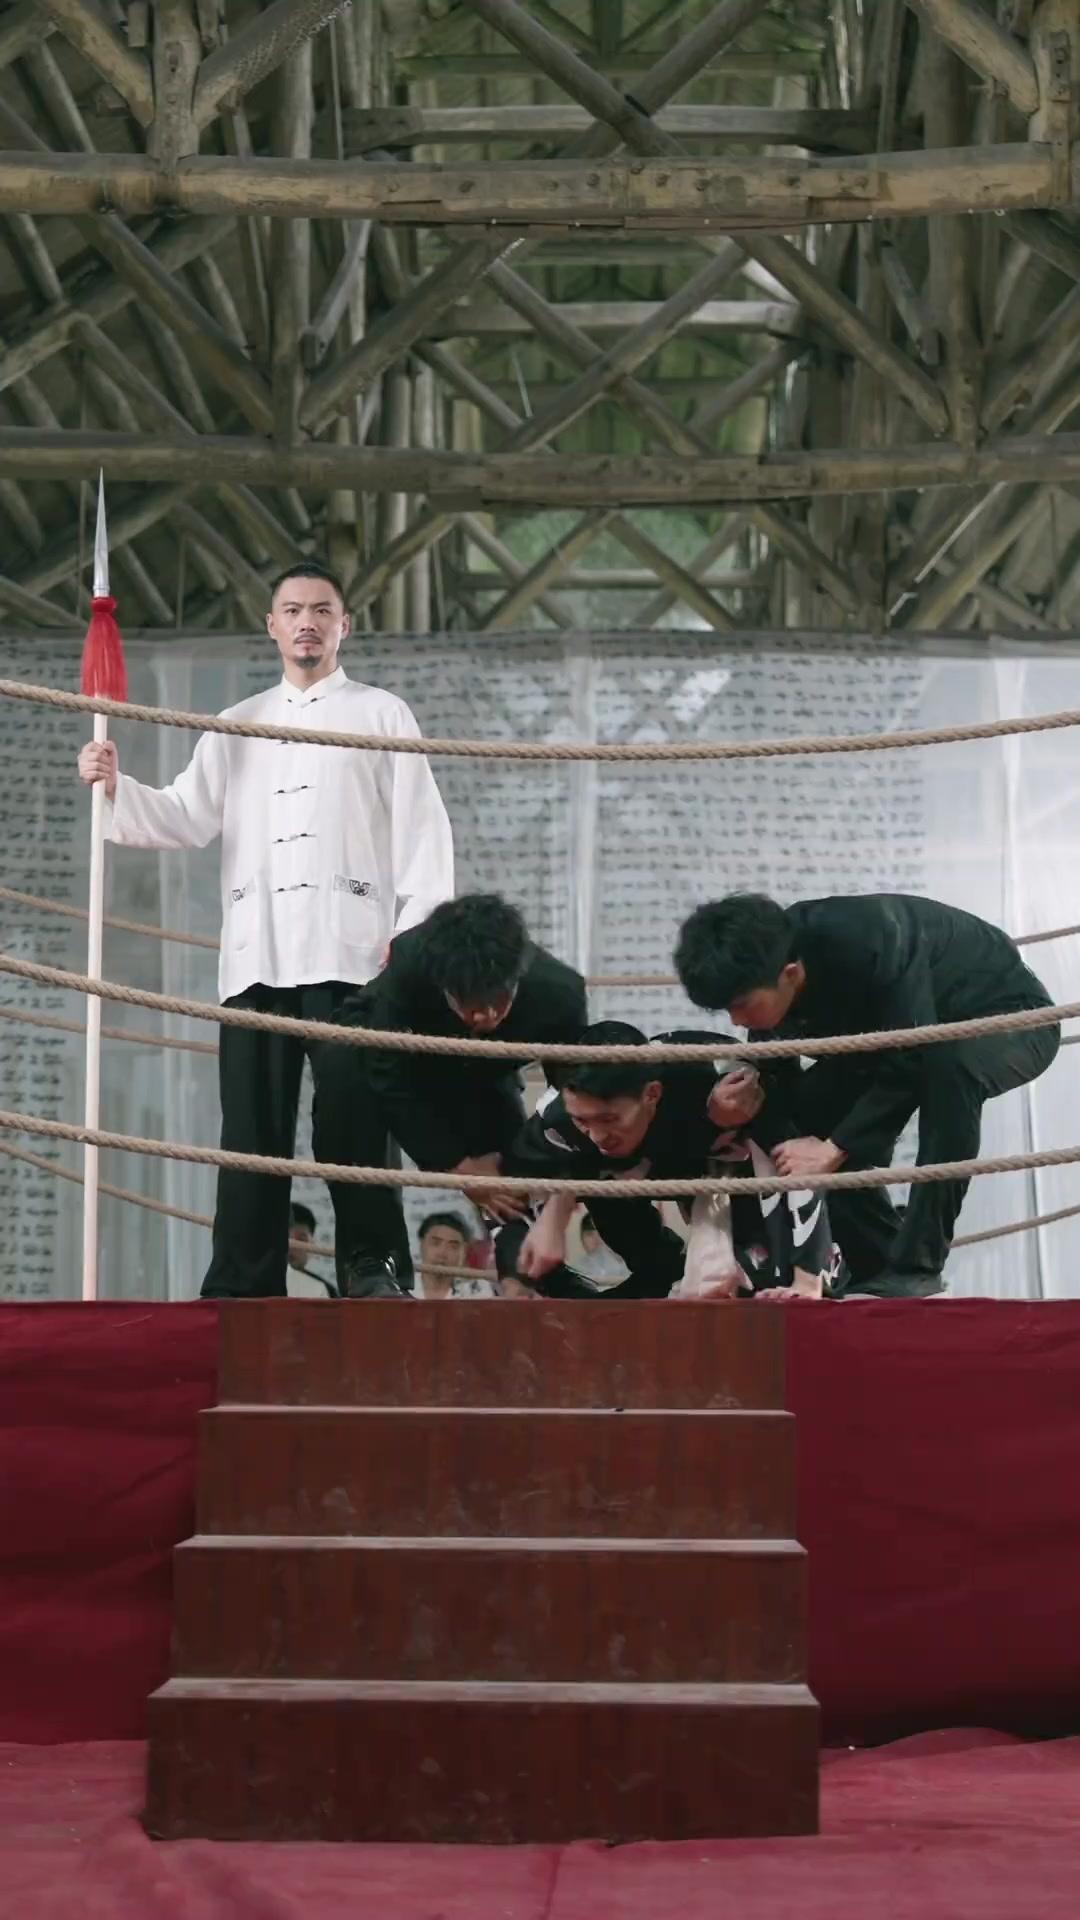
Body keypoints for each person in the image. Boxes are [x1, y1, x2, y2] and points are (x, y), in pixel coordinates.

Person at [76, 561, 454, 1301]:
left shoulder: (382, 714)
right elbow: (185, 815)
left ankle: (372, 1268)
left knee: (357, 1123)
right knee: (251, 1131)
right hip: (257, 958)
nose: (307, 622)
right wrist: (115, 783)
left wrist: (412, 942)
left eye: (322, 610)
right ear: (272, 625)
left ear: (345, 625)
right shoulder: (236, 723)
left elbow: (423, 834)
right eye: (293, 610)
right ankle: (242, 1283)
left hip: (356, 957)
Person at [674, 892, 1061, 1296]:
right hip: (903, 1044)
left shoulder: (871, 940)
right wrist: (732, 1100)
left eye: (741, 1005)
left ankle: (918, 1265)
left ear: (790, 974)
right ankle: (878, 1263)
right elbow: (782, 1078)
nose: (737, 1020)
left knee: (948, 1065)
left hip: (1014, 1020)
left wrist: (835, 1147)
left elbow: (912, 1056)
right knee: (803, 1112)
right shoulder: (770, 959)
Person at [497, 1021, 845, 1302]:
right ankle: (656, 1270)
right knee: (563, 1201)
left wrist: (807, 1277)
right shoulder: (557, 1120)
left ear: (652, 1095)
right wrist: (522, 1269)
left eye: (609, 1119)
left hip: (726, 1169)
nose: (597, 1134)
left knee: (761, 1282)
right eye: (582, 1120)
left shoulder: (719, 1083)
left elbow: (796, 1158)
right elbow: (506, 1198)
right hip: (631, 1182)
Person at [338, 893, 588, 1276]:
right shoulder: (411, 962)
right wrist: (459, 1166)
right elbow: (387, 1073)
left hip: (487, 1072)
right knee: (348, 1080)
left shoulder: (560, 995)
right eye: (470, 1003)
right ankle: (374, 1266)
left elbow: (573, 1102)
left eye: (498, 1000)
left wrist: (560, 1188)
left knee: (512, 1184)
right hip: (401, 1057)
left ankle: (532, 1282)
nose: (486, 1015)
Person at [415, 1209, 476, 1299]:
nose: (442, 1253)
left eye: (453, 1247)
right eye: (435, 1243)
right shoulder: (399, 1286)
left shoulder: (476, 1292)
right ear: (421, 1244)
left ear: (464, 1252)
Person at [286, 1202, 338, 1299]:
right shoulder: (259, 1286)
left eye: (301, 1239)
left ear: (312, 1244)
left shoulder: (326, 1291)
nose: (292, 1247)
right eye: (286, 1238)